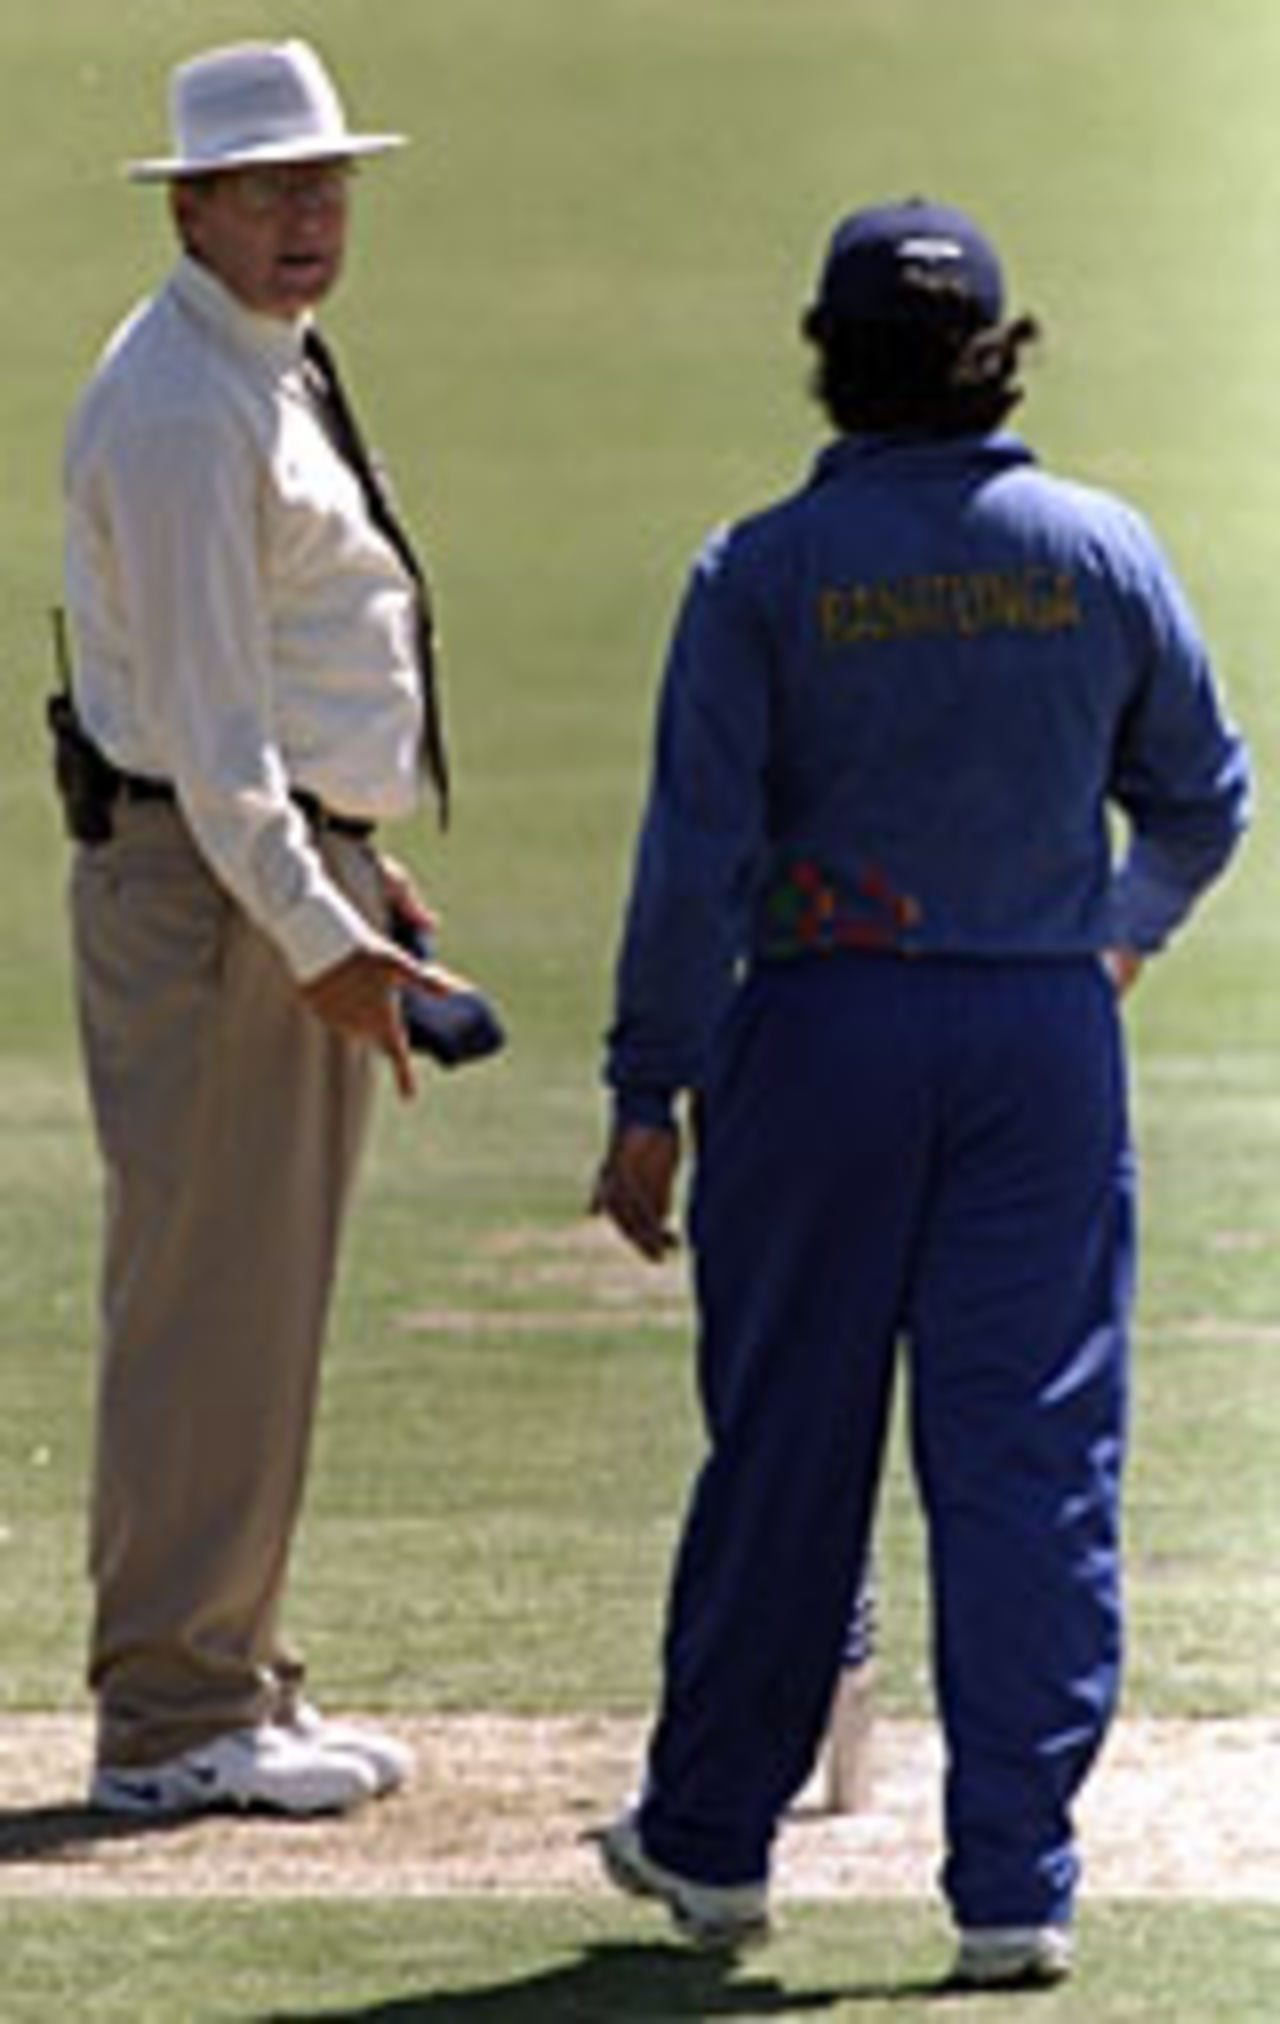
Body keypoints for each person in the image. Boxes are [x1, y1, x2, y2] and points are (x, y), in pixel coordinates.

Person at [591, 199, 1249, 1985]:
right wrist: (1104, 943)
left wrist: (648, 1086)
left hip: (819, 1037)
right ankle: (1014, 1885)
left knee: (788, 1452)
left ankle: (718, 1852)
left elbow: (693, 865)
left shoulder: (760, 572)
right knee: (1033, 1458)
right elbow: (1205, 792)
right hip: (1040, 1041)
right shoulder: (1100, 549)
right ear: (998, 354)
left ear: (827, 355)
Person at [59, 39, 474, 1818]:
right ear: (193, 205)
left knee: (261, 1295)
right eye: (267, 190)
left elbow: (281, 703)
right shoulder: (177, 403)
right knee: (210, 1300)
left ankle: (231, 1674)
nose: (308, 217)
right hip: (223, 893)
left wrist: (360, 875)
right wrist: (321, 928)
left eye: (326, 187)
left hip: (276, 878)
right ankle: (168, 1717)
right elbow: (217, 741)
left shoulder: (256, 368)